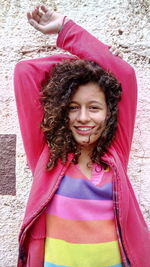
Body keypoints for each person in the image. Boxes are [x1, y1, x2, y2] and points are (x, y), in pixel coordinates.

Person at [14, 5, 150, 267]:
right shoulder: (47, 156)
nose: (84, 117)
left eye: (94, 107)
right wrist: (84, 68)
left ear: (109, 113)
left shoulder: (116, 152)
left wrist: (67, 29)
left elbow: (125, 75)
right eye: (73, 107)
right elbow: (25, 73)